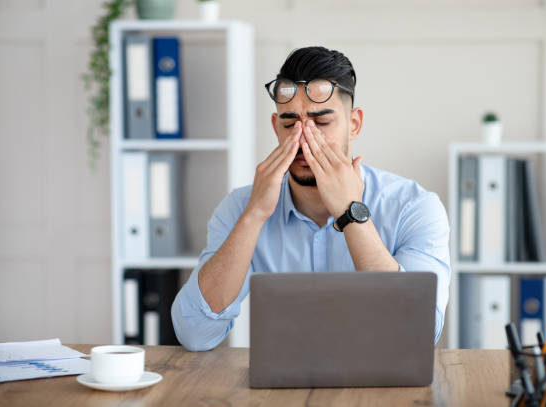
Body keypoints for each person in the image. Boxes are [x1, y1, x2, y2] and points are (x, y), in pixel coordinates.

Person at [171, 46, 450, 351]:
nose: (303, 139)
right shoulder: (241, 208)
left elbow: (416, 335)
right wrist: (253, 216)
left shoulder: (414, 207)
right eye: (290, 124)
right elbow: (194, 334)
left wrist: (351, 213)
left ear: (354, 124)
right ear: (276, 128)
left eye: (322, 122)